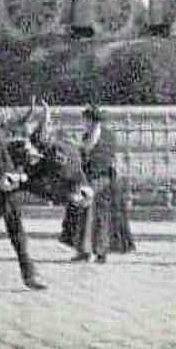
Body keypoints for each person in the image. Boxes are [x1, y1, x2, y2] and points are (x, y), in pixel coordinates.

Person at [61, 104, 135, 263]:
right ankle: (93, 252)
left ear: (90, 120)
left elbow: (88, 152)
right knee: (98, 217)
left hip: (98, 180)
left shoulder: (95, 136)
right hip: (102, 180)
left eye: (85, 120)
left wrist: (74, 147)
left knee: (92, 216)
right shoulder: (104, 134)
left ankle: (90, 252)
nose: (84, 123)